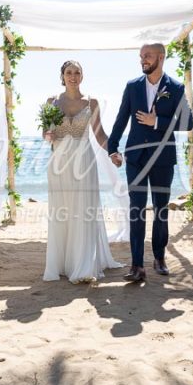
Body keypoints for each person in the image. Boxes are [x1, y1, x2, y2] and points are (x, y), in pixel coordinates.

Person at [107, 43, 193, 282]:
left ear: (161, 57)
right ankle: (137, 265)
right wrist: (112, 148)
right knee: (136, 211)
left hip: (162, 158)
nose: (143, 60)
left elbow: (188, 123)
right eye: (141, 56)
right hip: (135, 157)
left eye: (147, 56)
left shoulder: (175, 88)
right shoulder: (132, 86)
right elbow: (121, 119)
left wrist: (158, 121)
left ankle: (159, 257)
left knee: (161, 210)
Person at [43, 60, 123, 283]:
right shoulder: (52, 101)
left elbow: (99, 135)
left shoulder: (91, 102)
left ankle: (83, 264)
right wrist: (48, 135)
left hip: (84, 162)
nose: (73, 76)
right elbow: (46, 132)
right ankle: (61, 263)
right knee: (62, 212)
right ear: (62, 76)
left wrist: (113, 152)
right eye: (69, 72)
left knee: (83, 211)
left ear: (82, 76)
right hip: (59, 162)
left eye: (77, 72)